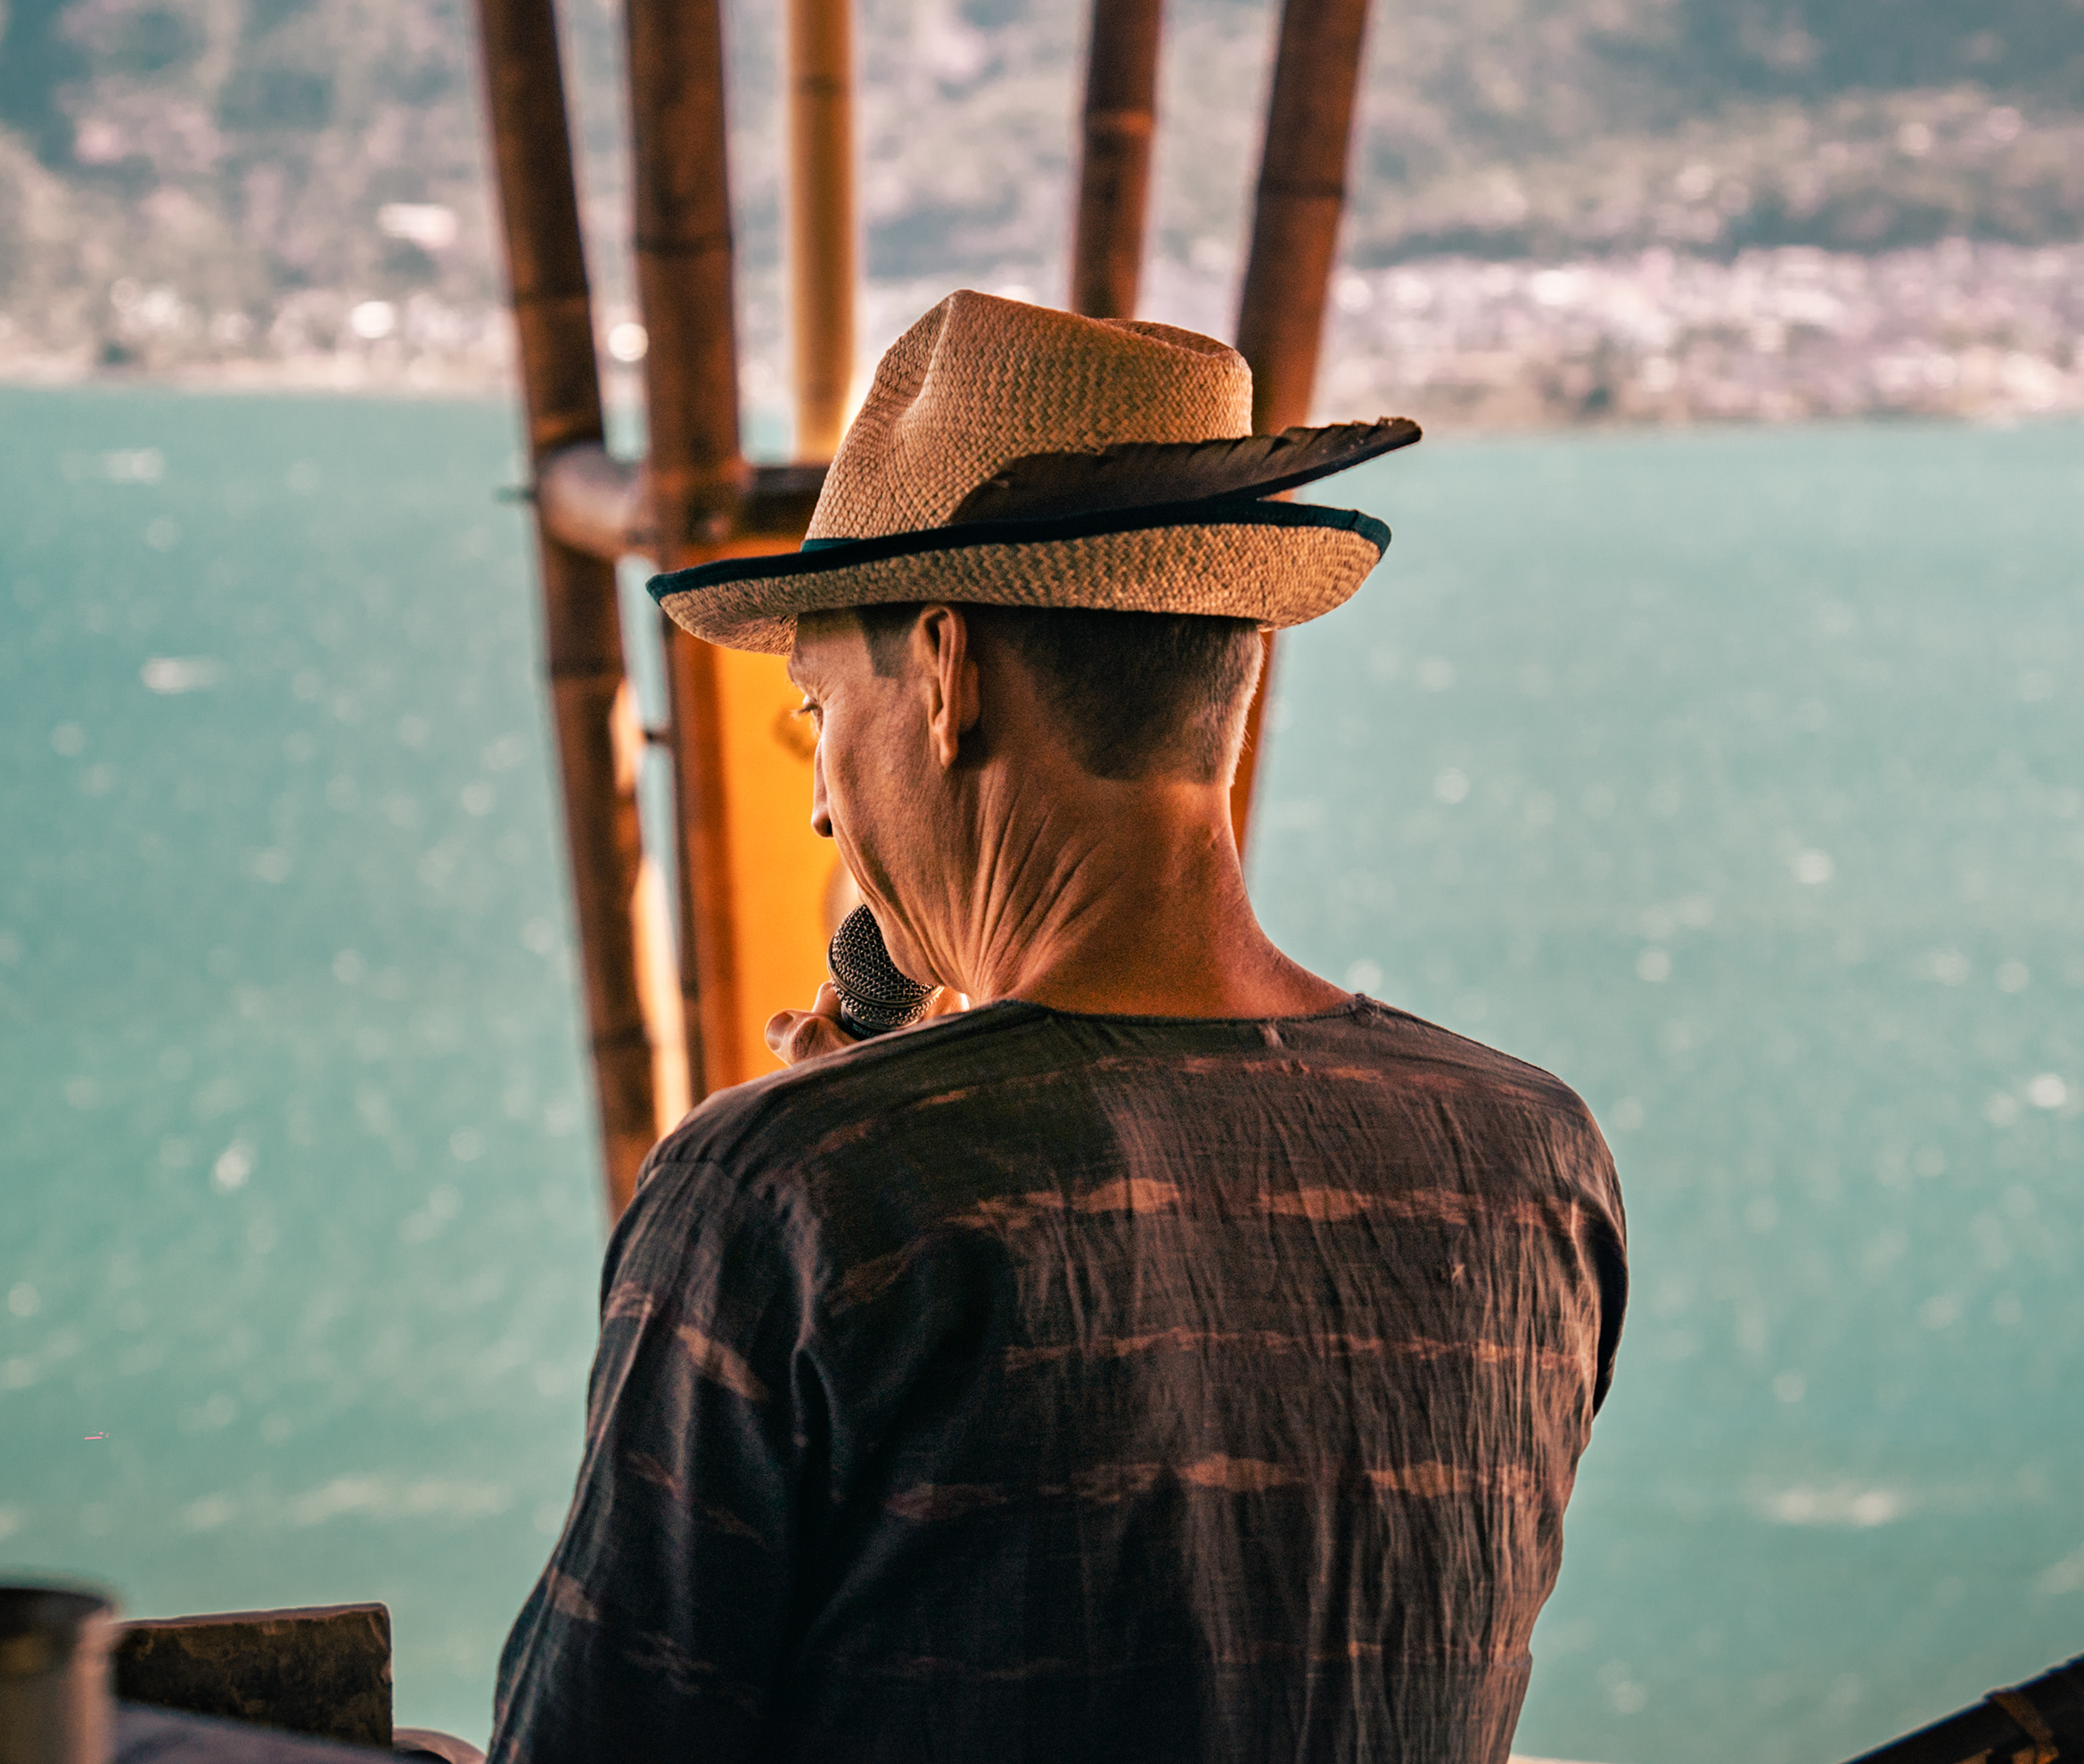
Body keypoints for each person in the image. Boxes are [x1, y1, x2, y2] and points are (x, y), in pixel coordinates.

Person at [488, 291, 1629, 1764]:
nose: (824, 798)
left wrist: (844, 1160)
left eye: (821, 707)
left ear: (950, 674)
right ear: (1234, 673)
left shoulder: (782, 1192)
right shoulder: (1533, 1159)